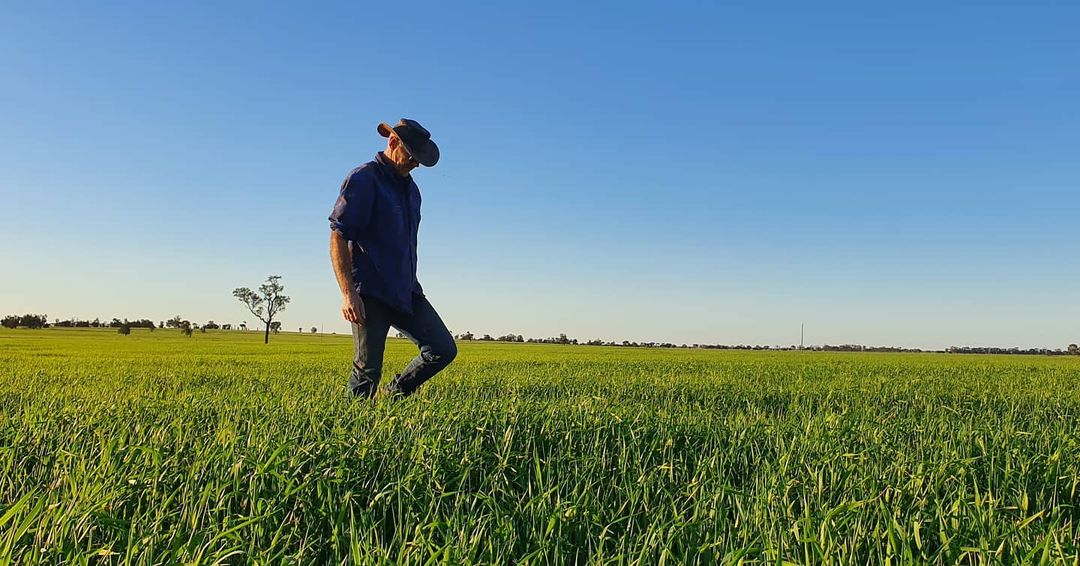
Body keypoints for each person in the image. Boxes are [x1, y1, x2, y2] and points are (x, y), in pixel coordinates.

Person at [329, 118, 457, 398]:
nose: (416, 164)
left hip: (407, 290)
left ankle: (392, 394)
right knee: (367, 371)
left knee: (442, 348)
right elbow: (338, 236)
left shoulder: (412, 192)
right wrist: (348, 293)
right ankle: (355, 431)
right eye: (413, 156)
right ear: (392, 142)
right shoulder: (364, 179)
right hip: (371, 292)